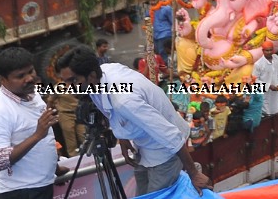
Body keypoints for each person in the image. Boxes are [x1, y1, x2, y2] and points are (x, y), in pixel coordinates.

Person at [56, 45, 209, 195]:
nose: (69, 87)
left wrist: (194, 173)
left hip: (165, 150)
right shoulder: (103, 74)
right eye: (66, 82)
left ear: (91, 76)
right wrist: (123, 138)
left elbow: (171, 135)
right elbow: (112, 113)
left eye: (73, 81)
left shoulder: (124, 100)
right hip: (143, 146)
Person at [0, 47, 62, 199]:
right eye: (20, 76)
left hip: (40, 185)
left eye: (31, 71)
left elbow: (39, 140)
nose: (30, 78)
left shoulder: (31, 93)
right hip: (21, 192)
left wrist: (55, 168)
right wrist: (37, 135)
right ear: (3, 80)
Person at [251, 43, 278, 116]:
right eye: (267, 50)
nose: (269, 52)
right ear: (263, 51)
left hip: (275, 92)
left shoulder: (276, 58)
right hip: (264, 93)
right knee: (267, 114)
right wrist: (268, 86)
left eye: (270, 50)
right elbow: (255, 80)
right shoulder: (258, 64)